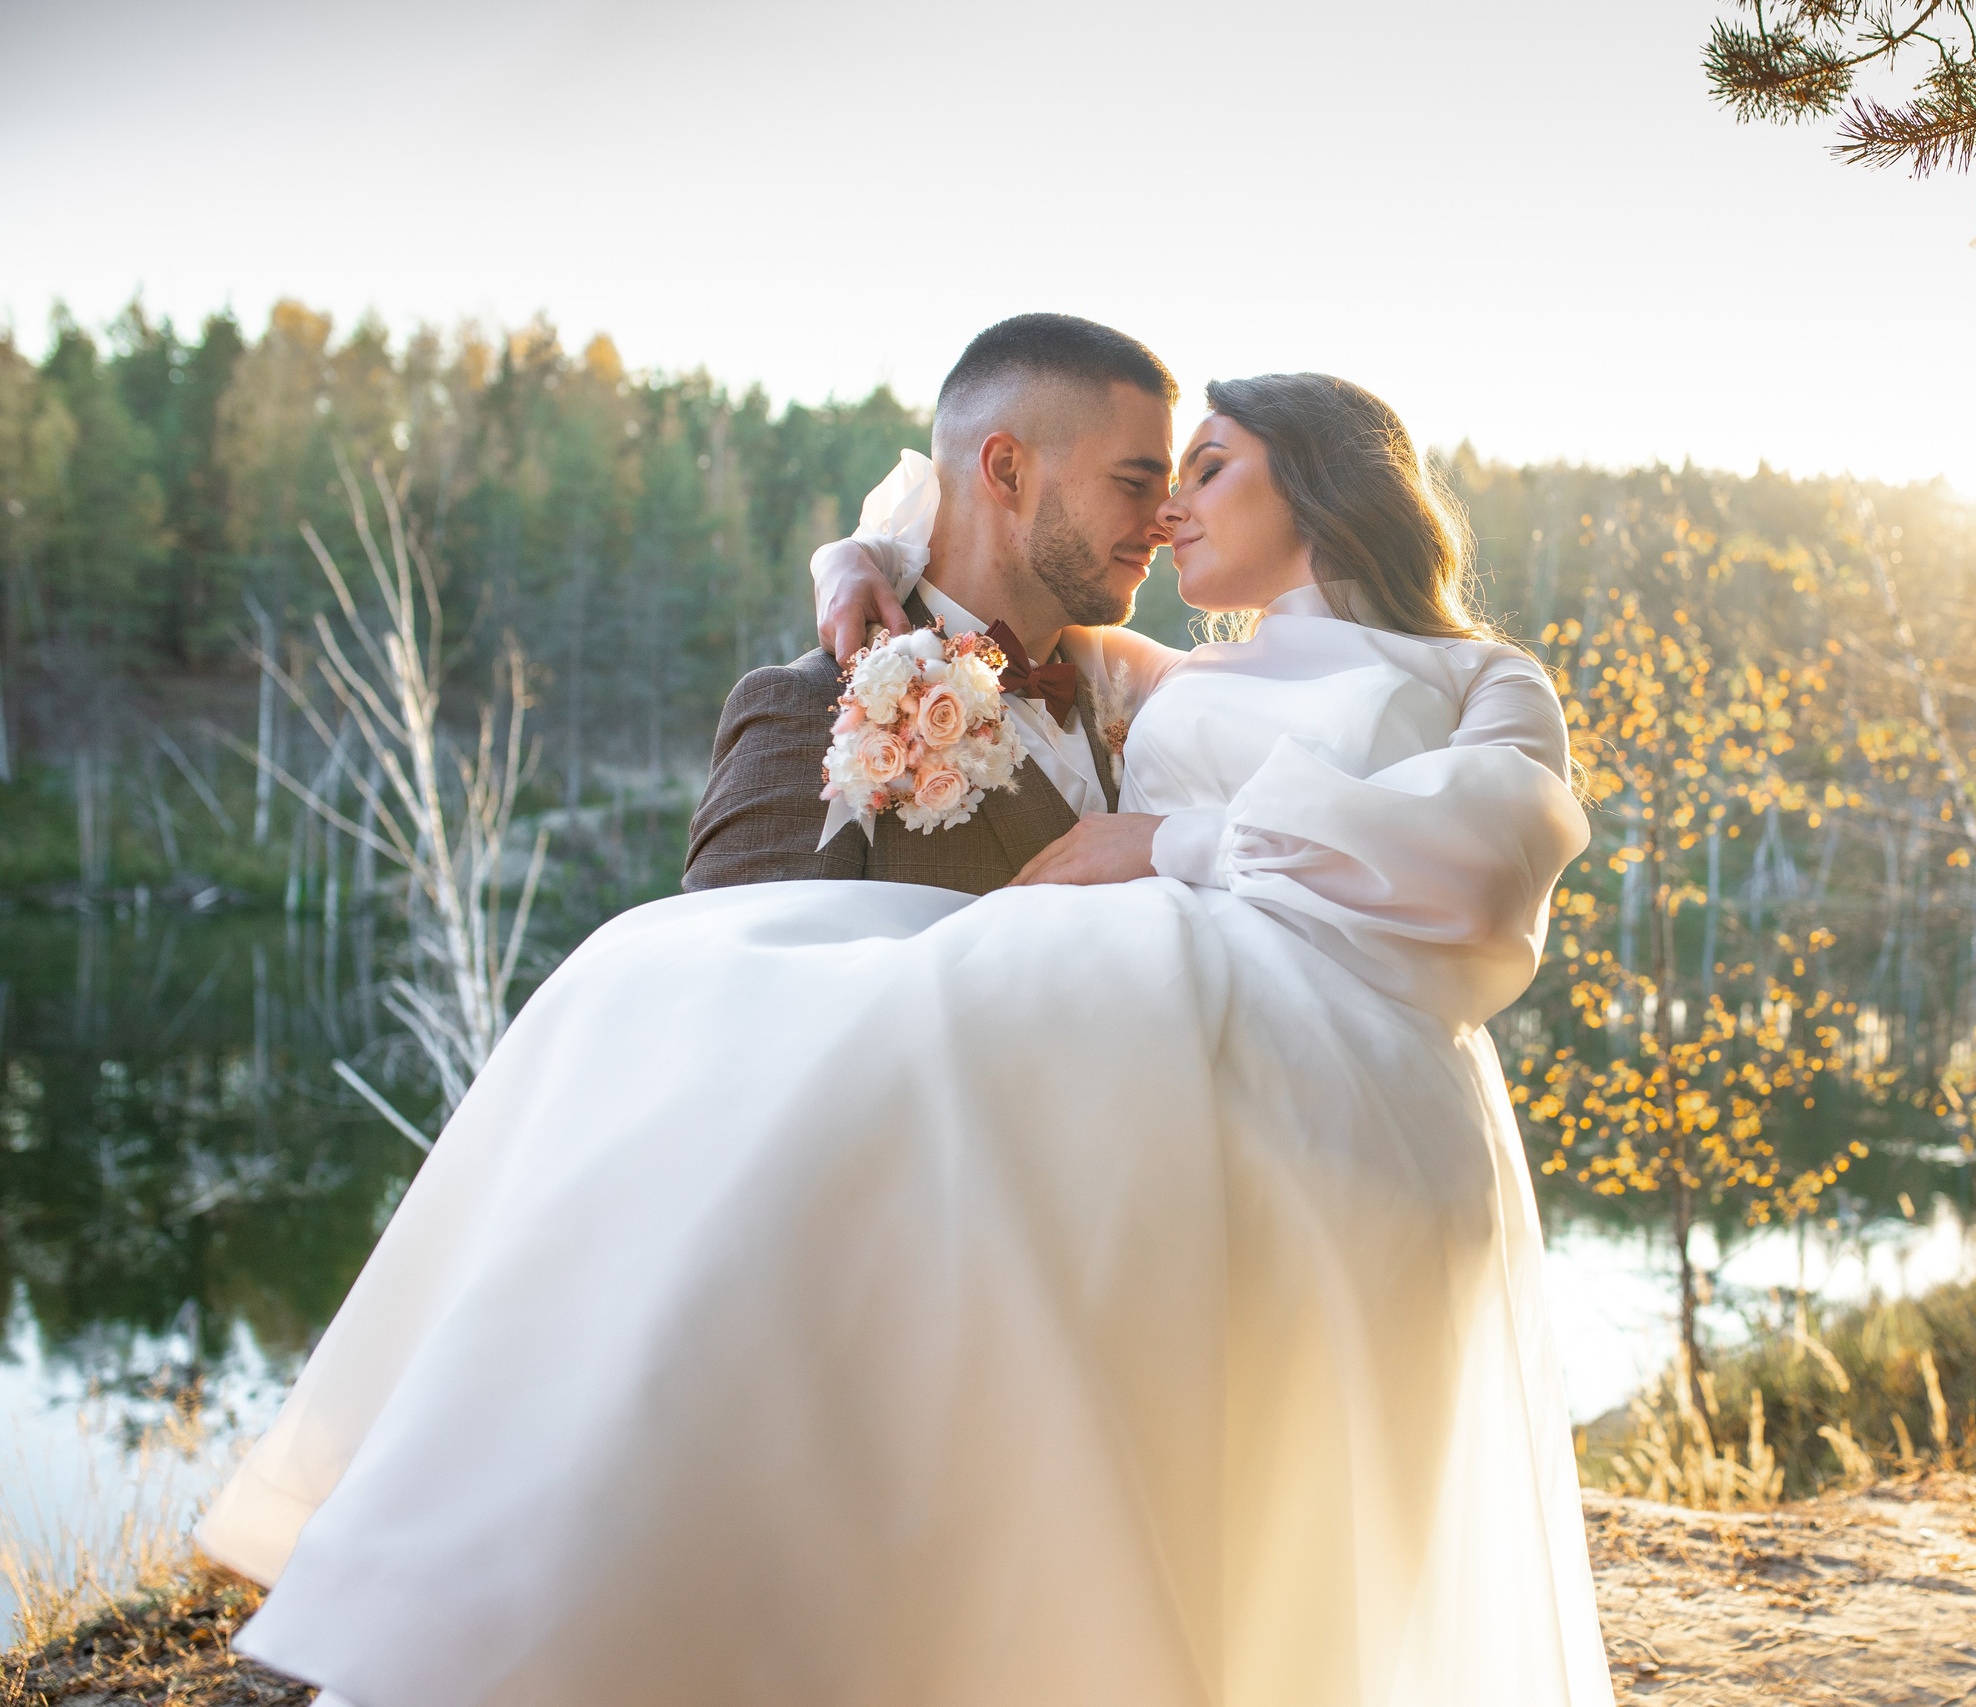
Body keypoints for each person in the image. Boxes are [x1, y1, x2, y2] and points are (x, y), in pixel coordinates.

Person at [193, 362, 1612, 1707]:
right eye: (1158, 475)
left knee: (889, 1062)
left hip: (1333, 1060)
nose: (1172, 505)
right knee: (706, 988)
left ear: (1318, 480)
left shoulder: (1480, 678)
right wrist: (855, 556)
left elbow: (1483, 871)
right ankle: (549, 1573)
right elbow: (975, 549)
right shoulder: (1173, 676)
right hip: (1139, 1036)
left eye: (1207, 466)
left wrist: (1173, 841)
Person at [684, 313, 1176, 894]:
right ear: (1008, 472)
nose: (1165, 524)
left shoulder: (1143, 704)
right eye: (1134, 482)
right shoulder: (810, 714)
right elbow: (734, 952)